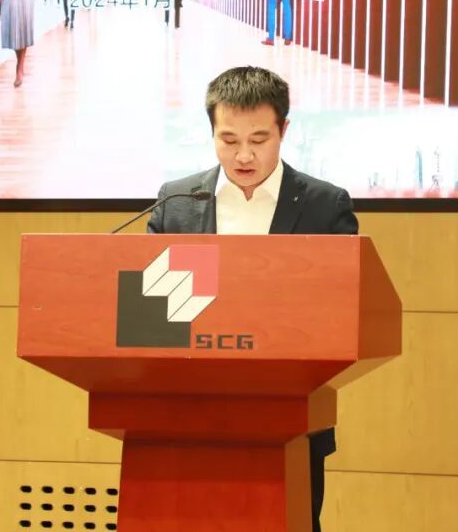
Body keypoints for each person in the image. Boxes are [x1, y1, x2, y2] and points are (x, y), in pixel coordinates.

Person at [147, 66, 356, 532]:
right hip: (186, 418)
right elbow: (151, 318)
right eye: (228, 140)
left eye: (259, 139)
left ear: (284, 130)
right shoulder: (176, 203)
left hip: (290, 418)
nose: (243, 155)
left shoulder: (325, 206)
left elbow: (340, 314)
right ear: (211, 132)